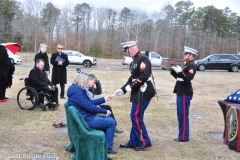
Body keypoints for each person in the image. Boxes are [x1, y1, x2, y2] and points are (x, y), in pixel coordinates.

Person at [114, 41, 155, 151]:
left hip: (144, 91)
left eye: (126, 50)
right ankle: (134, 141)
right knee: (135, 116)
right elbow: (132, 78)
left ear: (131, 48)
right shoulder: (134, 61)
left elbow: (144, 76)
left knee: (136, 116)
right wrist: (123, 89)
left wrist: (130, 87)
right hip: (138, 91)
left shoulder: (143, 59)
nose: (126, 52)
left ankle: (145, 141)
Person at [67, 73, 117, 154]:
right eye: (86, 82)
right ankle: (108, 148)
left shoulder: (75, 90)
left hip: (83, 117)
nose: (87, 83)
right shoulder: (79, 93)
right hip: (85, 120)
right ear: (81, 82)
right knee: (111, 122)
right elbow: (90, 107)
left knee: (108, 119)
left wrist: (104, 99)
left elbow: (89, 103)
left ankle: (102, 144)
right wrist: (105, 111)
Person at [170, 46, 198, 142]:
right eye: (184, 54)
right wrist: (173, 70)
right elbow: (179, 77)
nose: (184, 55)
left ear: (191, 55)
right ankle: (181, 135)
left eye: (186, 54)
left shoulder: (192, 66)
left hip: (185, 93)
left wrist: (180, 71)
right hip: (180, 92)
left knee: (183, 115)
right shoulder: (186, 65)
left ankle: (184, 137)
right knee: (180, 115)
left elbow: (187, 79)